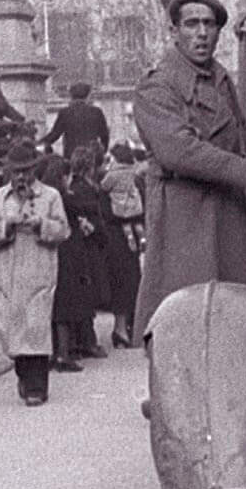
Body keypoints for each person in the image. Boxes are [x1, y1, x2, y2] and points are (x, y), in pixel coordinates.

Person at [133, 0, 246, 336]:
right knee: (185, 317)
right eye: (192, 24)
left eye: (209, 25)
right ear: (174, 31)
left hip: (226, 212)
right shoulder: (157, 86)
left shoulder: (219, 79)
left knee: (232, 317)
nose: (201, 33)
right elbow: (177, 150)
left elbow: (237, 134)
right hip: (184, 217)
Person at [0, 140, 71, 405]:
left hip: (39, 270)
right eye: (16, 171)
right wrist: (6, 228)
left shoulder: (51, 196)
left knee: (36, 328)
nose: (21, 177)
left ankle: (37, 388)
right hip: (7, 272)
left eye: (26, 171)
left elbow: (63, 230)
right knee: (10, 329)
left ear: (34, 170)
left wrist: (41, 224)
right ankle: (23, 375)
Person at [50, 148, 108, 368]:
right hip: (77, 250)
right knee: (79, 297)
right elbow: (86, 208)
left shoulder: (63, 194)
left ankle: (70, 346)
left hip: (69, 249)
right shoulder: (71, 195)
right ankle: (76, 347)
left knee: (71, 299)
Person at [98, 142, 147, 349]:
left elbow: (103, 210)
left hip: (114, 236)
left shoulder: (107, 180)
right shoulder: (137, 178)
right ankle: (132, 326)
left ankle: (120, 329)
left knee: (118, 281)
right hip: (133, 235)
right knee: (133, 279)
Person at [39, 80, 111, 166]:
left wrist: (38, 143)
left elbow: (55, 135)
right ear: (88, 96)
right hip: (92, 158)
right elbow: (104, 136)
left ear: (71, 96)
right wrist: (102, 153)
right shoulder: (97, 112)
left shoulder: (65, 112)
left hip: (71, 158)